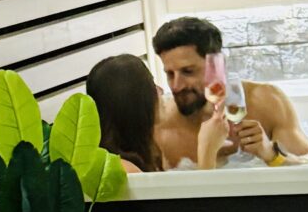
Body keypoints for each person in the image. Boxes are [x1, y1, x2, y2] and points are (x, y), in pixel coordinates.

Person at [150, 16, 308, 171]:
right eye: (170, 74)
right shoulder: (162, 127)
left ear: (217, 66)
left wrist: (270, 154)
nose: (176, 86)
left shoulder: (265, 102)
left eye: (188, 71)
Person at [85, 52, 226, 173]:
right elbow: (201, 198)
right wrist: (207, 153)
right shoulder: (124, 170)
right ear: (137, 103)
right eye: (152, 86)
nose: (161, 91)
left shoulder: (143, 149)